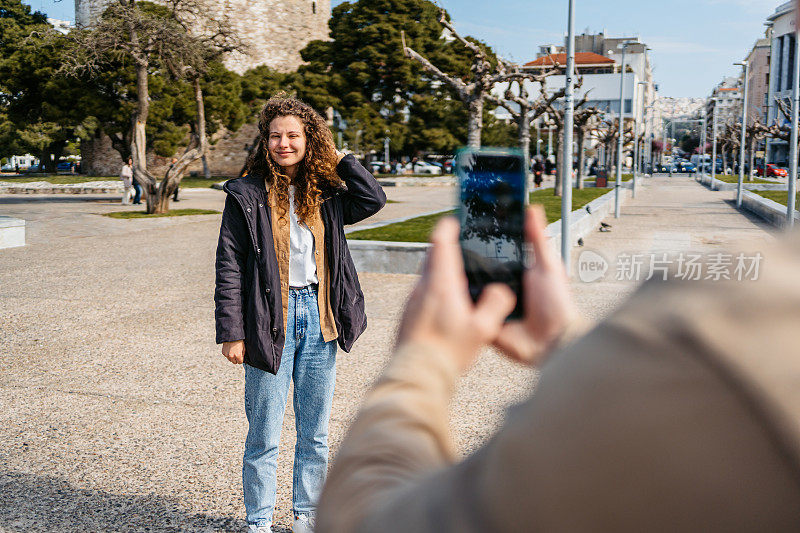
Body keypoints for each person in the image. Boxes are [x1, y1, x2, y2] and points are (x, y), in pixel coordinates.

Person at [316, 207, 800, 532]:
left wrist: (424, 356)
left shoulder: (717, 333)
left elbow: (367, 521)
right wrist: (568, 341)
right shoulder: (750, 318)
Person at [214, 94, 386, 533]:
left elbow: (372, 199)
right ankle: (259, 521)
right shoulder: (247, 193)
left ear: (309, 139)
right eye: (275, 136)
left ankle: (308, 516)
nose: (283, 143)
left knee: (315, 433)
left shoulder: (327, 193)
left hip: (319, 317)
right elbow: (230, 263)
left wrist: (341, 158)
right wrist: (232, 332)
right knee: (264, 433)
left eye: (293, 135)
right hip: (270, 320)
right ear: (265, 141)